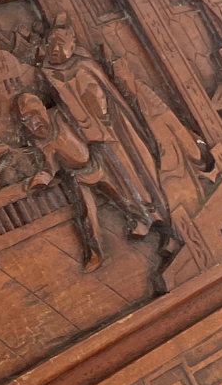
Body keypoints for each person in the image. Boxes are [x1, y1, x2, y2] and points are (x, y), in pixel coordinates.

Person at [39, 18, 165, 240]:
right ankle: (141, 217)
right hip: (92, 134)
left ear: (72, 42)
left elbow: (110, 94)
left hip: (116, 126)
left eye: (60, 43)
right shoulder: (51, 74)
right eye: (50, 45)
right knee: (117, 176)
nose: (55, 50)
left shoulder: (86, 66)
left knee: (136, 166)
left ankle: (158, 213)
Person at [16, 92, 117, 272]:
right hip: (76, 176)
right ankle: (95, 254)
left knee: (125, 197)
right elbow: (50, 165)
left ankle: (146, 221)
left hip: (97, 162)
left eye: (34, 116)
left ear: (42, 109)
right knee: (87, 216)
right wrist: (42, 179)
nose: (33, 124)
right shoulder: (39, 141)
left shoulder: (62, 114)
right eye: (25, 121)